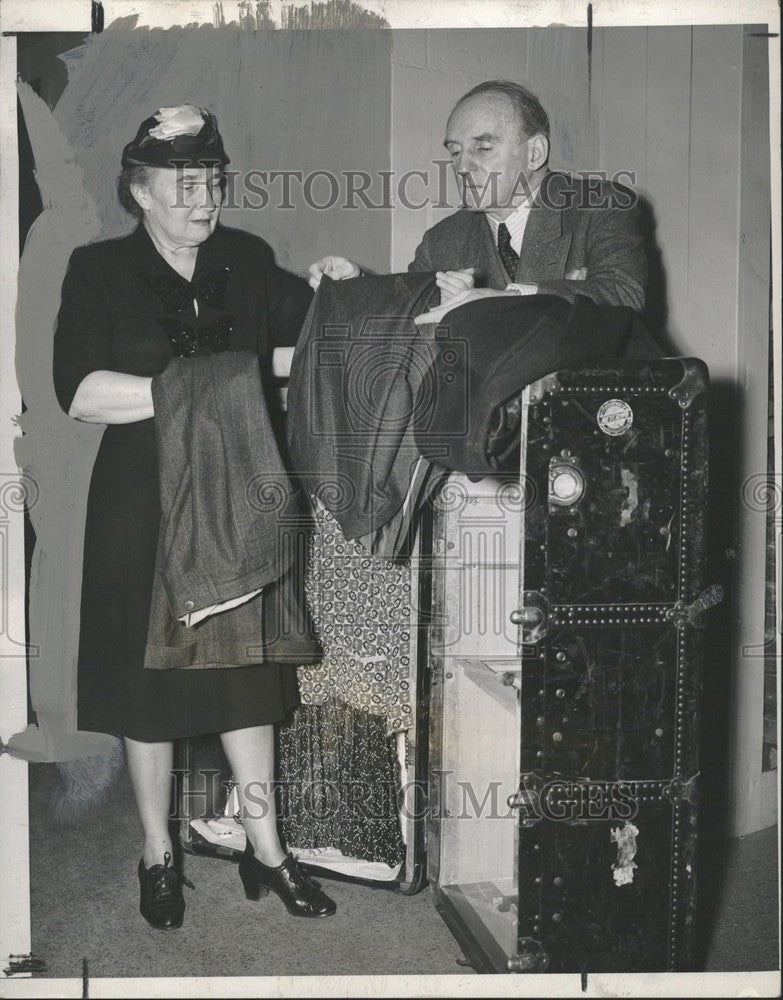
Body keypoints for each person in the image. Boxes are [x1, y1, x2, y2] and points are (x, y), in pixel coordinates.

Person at [52, 105, 336, 928]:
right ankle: (157, 852)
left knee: (249, 682)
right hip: (139, 503)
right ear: (138, 192)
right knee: (150, 690)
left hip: (239, 492)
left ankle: (267, 851)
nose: (201, 200)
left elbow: (317, 337)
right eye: (182, 187)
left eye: (211, 182)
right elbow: (78, 391)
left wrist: (338, 285)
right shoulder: (97, 269)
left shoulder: (246, 259)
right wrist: (212, 386)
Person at [308, 79, 647, 320]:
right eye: (455, 152)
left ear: (535, 152)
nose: (462, 166)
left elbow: (624, 294)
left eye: (482, 148)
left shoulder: (600, 205)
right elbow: (407, 304)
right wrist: (355, 286)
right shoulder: (444, 240)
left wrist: (505, 298)